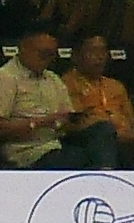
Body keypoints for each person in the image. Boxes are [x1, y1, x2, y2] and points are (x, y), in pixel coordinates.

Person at [0, 29, 116, 169]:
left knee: (103, 130)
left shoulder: (53, 78)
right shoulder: (6, 77)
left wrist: (78, 119)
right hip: (27, 150)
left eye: (51, 55)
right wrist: (41, 122)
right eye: (43, 53)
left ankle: (106, 173)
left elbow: (66, 121)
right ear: (23, 48)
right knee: (80, 157)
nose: (47, 59)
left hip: (57, 141)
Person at [61, 31, 134, 163]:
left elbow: (131, 122)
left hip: (126, 141)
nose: (99, 57)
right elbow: (77, 124)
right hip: (90, 141)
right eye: (93, 51)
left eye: (103, 51)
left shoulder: (116, 85)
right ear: (76, 56)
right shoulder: (66, 84)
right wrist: (114, 133)